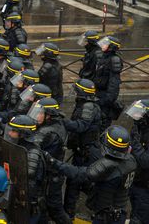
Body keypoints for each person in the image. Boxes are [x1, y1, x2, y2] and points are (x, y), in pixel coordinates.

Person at [45, 125, 137, 224]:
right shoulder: (131, 160)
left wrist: (53, 162)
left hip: (106, 217)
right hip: (120, 213)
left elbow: (79, 173)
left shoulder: (108, 166)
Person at [27, 98, 70, 224]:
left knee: (55, 209)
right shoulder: (55, 124)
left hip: (51, 177)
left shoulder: (48, 132)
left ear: (48, 115)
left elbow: (34, 144)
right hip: (49, 174)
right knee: (43, 207)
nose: (36, 115)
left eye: (39, 113)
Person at [63, 79, 102, 217]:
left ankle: (101, 211)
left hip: (88, 153)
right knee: (73, 182)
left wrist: (63, 121)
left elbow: (81, 126)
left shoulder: (89, 107)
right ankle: (68, 213)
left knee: (88, 184)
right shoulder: (83, 104)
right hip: (81, 151)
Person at [4, 115, 47, 223]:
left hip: (28, 205)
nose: (10, 133)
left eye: (13, 131)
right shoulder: (20, 147)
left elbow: (27, 177)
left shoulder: (32, 153)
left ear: (23, 134)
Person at [124, 99, 149, 224]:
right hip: (135, 181)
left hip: (145, 187)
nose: (135, 116)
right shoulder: (138, 127)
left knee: (140, 218)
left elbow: (146, 162)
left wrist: (135, 144)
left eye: (138, 113)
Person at [93, 36, 123, 131]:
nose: (102, 44)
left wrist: (106, 101)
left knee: (102, 125)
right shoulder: (104, 57)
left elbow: (114, 83)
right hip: (99, 94)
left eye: (105, 43)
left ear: (111, 47)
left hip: (105, 98)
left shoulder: (114, 60)